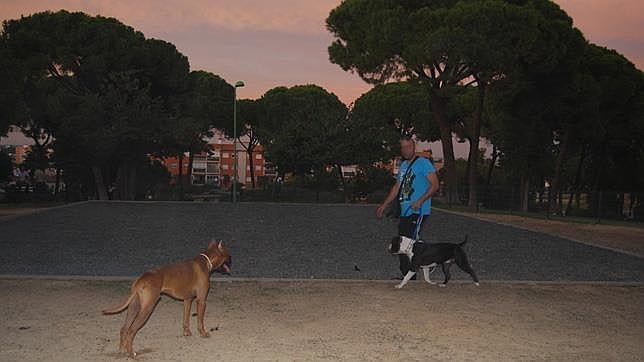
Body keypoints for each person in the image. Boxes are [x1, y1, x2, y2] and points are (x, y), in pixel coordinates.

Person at [376, 135, 439, 278]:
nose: (405, 150)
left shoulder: (423, 163)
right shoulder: (403, 166)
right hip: (406, 211)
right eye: (403, 147)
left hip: (418, 211)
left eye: (408, 146)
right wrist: (384, 205)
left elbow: (435, 185)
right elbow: (397, 186)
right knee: (405, 241)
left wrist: (421, 200)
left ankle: (410, 274)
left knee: (406, 242)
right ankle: (421, 265)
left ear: (414, 147)